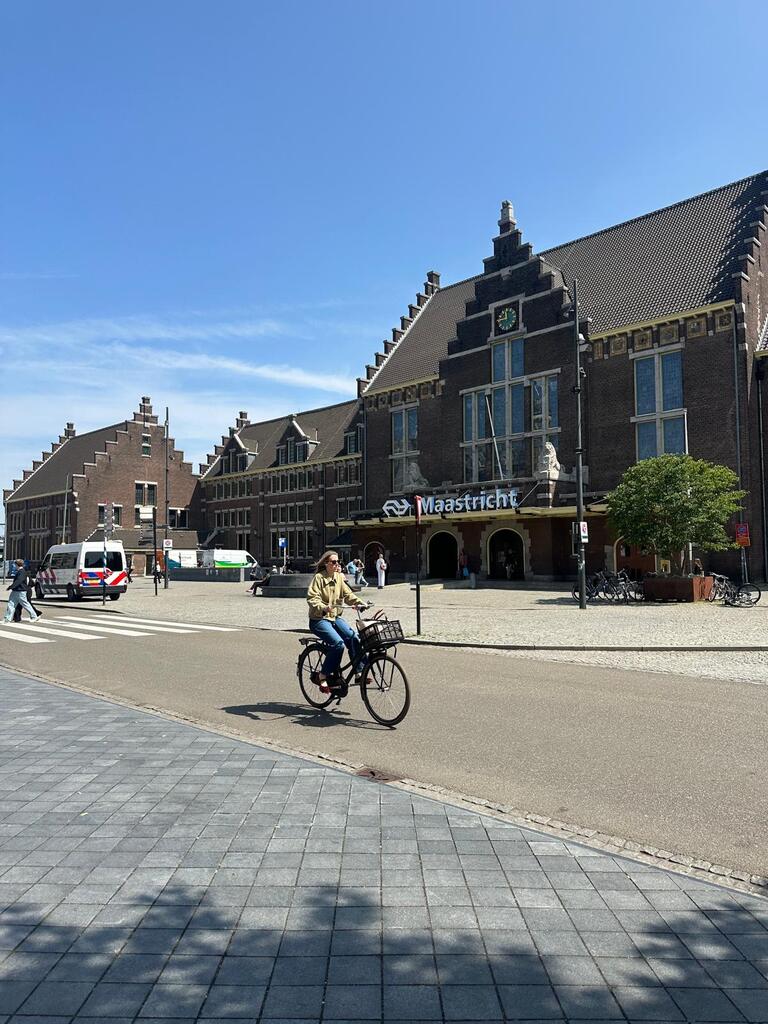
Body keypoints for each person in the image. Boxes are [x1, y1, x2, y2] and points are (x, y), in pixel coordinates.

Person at [306, 550, 368, 692]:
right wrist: (323, 607)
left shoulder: (339, 577)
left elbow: (348, 595)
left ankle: (359, 672)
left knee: (353, 638)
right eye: (334, 562)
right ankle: (322, 675)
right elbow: (311, 598)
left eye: (338, 561)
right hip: (319, 619)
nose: (337, 564)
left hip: (335, 617)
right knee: (338, 645)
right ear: (326, 563)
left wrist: (360, 603)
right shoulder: (319, 578)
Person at [3, 559, 41, 624]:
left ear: (16, 565)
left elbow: (19, 581)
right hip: (16, 591)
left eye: (14, 564)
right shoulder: (20, 571)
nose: (14, 566)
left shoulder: (22, 572)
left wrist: (11, 587)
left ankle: (34, 616)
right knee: (11, 604)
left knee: (25, 604)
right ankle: (7, 618)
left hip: (20, 591)